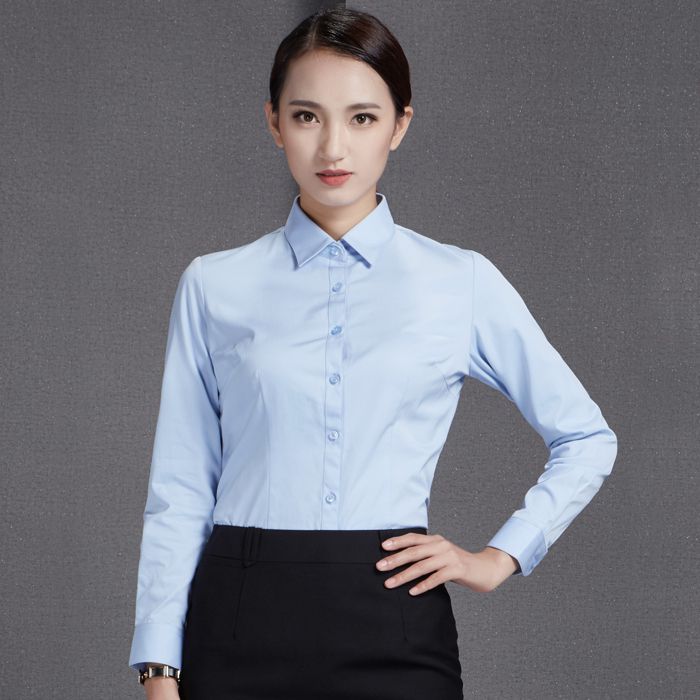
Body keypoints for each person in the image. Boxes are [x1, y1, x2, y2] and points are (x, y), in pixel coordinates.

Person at [128, 7, 618, 700]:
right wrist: (158, 668)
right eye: (307, 116)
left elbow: (586, 438)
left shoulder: (459, 281)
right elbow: (180, 490)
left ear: (399, 125)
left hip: (396, 622)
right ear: (274, 123)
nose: (333, 147)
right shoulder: (214, 285)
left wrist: (499, 556)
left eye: (362, 118)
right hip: (239, 618)